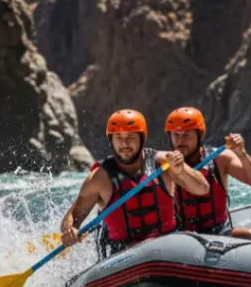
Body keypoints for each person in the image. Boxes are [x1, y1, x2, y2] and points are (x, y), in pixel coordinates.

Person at [60, 109, 209, 255]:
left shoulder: (164, 163)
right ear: (111, 140)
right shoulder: (99, 178)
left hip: (167, 246)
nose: (124, 144)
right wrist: (69, 231)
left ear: (142, 139)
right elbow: (73, 217)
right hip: (124, 254)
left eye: (130, 137)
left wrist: (182, 170)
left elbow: (202, 188)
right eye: (118, 137)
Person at [165, 106, 251, 240]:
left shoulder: (220, 158)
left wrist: (242, 154)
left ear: (199, 135)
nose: (180, 141)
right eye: (175, 135)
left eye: (186, 135)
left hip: (219, 232)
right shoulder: (164, 165)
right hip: (183, 236)